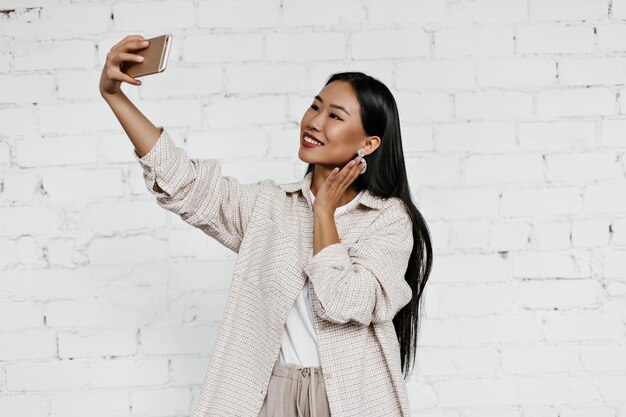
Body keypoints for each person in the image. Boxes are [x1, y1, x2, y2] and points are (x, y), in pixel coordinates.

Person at [100, 34, 433, 417]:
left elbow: (343, 301)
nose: (314, 122)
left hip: (348, 400)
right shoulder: (271, 206)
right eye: (315, 107)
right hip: (269, 394)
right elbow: (184, 183)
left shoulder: (387, 220)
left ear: (369, 144)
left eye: (335, 116)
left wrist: (323, 213)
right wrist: (115, 96)